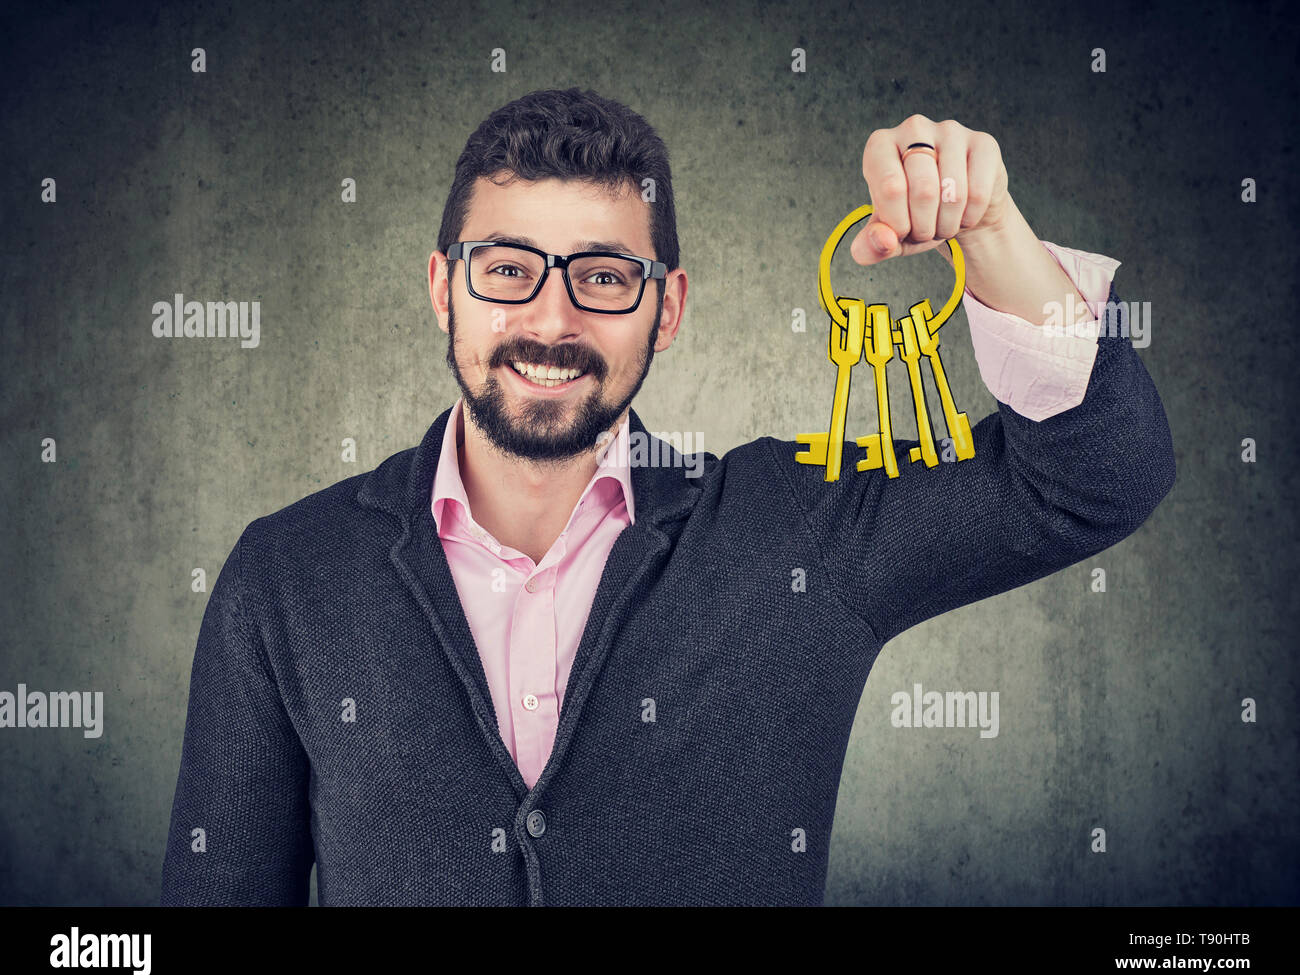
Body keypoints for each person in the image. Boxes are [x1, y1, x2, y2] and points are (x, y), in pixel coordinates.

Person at [161, 87, 1175, 905]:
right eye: (507, 268)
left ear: (668, 306)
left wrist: (989, 229)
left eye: (603, 276)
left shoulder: (800, 531)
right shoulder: (285, 574)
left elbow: (1097, 473)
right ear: (442, 286)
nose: (550, 319)